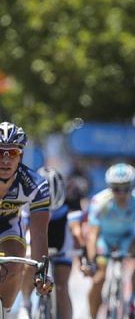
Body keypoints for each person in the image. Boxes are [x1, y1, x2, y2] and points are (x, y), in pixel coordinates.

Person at [82, 163, 135, 319]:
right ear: (109, 187)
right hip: (105, 239)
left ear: (133, 187)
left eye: (126, 188)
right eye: (116, 189)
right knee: (99, 278)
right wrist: (91, 260)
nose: (121, 194)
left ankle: (132, 300)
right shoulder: (100, 202)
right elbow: (93, 234)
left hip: (128, 237)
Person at [0, 122, 53, 312]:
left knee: (14, 267)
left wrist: (41, 272)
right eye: (0, 153)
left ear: (20, 155)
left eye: (12, 153)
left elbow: (39, 233)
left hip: (8, 226)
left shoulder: (35, 185)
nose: (5, 160)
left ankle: (5, 313)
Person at [21, 167, 84, 319]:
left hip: (60, 239)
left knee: (62, 286)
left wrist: (82, 253)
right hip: (35, 234)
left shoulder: (72, 197)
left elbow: (76, 230)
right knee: (29, 265)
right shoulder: (27, 197)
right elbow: (23, 230)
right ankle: (25, 303)